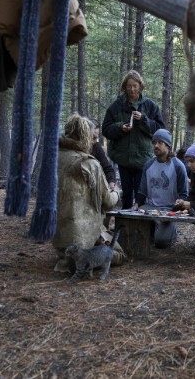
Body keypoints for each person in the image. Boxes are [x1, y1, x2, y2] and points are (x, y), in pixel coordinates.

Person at [52, 114, 126, 272]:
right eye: (92, 138)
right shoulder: (88, 163)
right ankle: (85, 259)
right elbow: (107, 201)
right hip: (85, 234)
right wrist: (117, 193)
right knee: (119, 254)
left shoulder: (54, 157)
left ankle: (67, 257)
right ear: (85, 137)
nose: (95, 142)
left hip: (59, 234)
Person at [102, 70, 165, 209]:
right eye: (129, 86)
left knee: (141, 193)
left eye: (135, 86)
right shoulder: (116, 106)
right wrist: (120, 128)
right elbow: (105, 129)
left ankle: (141, 224)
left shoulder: (150, 106)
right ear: (124, 87)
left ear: (140, 86)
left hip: (143, 157)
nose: (132, 89)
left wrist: (144, 119)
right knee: (126, 194)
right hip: (123, 157)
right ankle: (124, 225)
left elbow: (160, 129)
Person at [133, 129, 189, 248]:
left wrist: (179, 203)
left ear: (168, 145)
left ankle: (171, 232)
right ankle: (152, 228)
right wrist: (137, 203)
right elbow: (142, 190)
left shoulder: (178, 166)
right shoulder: (148, 165)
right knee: (133, 236)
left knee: (161, 243)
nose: (156, 145)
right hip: (150, 207)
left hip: (169, 209)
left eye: (160, 142)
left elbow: (184, 194)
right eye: (154, 143)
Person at [88, 118, 116, 190]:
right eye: (91, 137)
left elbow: (108, 168)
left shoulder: (96, 147)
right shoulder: (74, 147)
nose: (93, 141)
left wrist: (111, 182)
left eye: (95, 138)